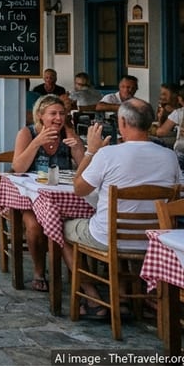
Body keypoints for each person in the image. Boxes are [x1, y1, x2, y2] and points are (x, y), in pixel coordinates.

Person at [63, 99, 184, 318]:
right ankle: (129, 296)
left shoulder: (108, 155)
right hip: (154, 239)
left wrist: (90, 151)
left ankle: (93, 298)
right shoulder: (169, 157)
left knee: (60, 229)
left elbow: (79, 188)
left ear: (122, 123)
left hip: (109, 237)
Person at [10, 95, 86, 292]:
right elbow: (17, 168)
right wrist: (36, 143)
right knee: (34, 227)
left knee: (72, 222)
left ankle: (79, 274)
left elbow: (86, 169)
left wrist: (77, 145)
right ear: (41, 116)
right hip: (32, 198)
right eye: (53, 114)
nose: (58, 118)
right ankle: (38, 271)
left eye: (62, 114)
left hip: (62, 198)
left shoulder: (67, 133)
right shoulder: (27, 133)